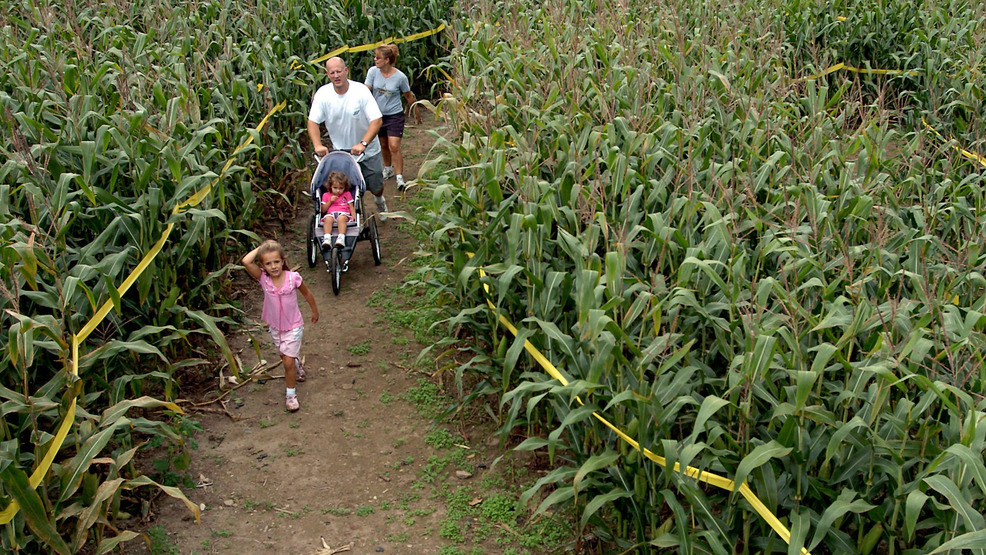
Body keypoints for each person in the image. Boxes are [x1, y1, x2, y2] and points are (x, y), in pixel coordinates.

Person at [308, 56, 389, 221]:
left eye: (339, 71)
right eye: (332, 73)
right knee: (342, 189)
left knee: (376, 186)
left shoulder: (360, 91)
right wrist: (317, 145)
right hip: (341, 154)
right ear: (327, 74)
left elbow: (376, 120)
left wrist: (363, 143)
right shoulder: (323, 94)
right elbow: (312, 122)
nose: (336, 76)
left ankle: (379, 200)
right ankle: (346, 217)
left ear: (346, 71)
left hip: (367, 151)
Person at [242, 240, 319, 412]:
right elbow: (246, 261)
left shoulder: (293, 278)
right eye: (268, 263)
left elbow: (307, 294)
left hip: (294, 326)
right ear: (263, 266)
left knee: (287, 362)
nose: (273, 266)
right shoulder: (263, 279)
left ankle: (291, 395)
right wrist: (263, 246)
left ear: (283, 261)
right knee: (285, 357)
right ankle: (296, 365)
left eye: (276, 261)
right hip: (276, 327)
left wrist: (314, 311)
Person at [364, 44, 422, 192]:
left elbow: (408, 95)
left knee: (394, 146)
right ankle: (388, 168)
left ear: (387, 60)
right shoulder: (373, 72)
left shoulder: (400, 77)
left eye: (378, 57)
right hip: (377, 116)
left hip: (394, 115)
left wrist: (416, 111)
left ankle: (399, 178)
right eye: (375, 57)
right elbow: (365, 91)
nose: (375, 60)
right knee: (383, 144)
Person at [320, 171, 356, 247]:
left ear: (345, 187)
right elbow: (323, 210)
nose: (338, 191)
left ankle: (341, 238)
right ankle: (327, 238)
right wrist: (330, 201)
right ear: (330, 186)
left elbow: (351, 206)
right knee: (328, 219)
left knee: (341, 219)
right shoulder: (326, 195)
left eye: (341, 188)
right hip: (331, 214)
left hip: (344, 214)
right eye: (335, 188)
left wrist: (354, 217)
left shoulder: (347, 194)